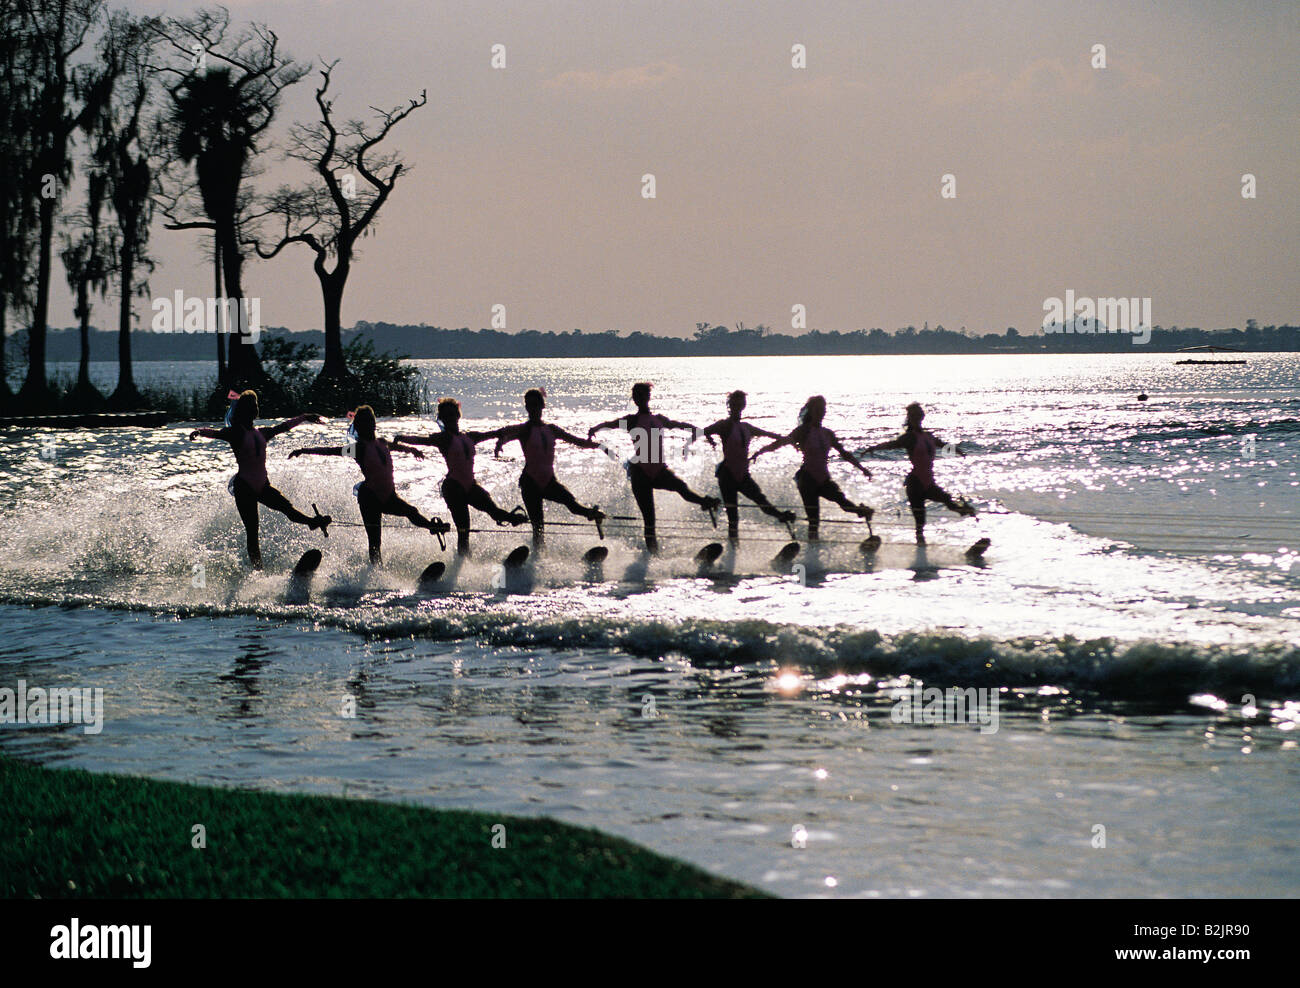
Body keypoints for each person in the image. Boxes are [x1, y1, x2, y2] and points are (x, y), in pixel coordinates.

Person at [289, 405, 450, 565]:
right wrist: (304, 450)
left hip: (389, 495)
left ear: (373, 424)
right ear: (359, 427)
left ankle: (432, 527)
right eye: (364, 424)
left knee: (411, 511)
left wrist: (412, 450)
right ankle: (376, 574)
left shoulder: (382, 442)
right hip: (369, 498)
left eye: (370, 423)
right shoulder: (358, 448)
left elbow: (396, 447)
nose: (369, 426)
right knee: (375, 541)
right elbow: (333, 451)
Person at [188, 390, 330, 569]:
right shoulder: (235, 433)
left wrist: (305, 417)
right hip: (244, 487)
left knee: (287, 508)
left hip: (263, 485)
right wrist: (198, 432)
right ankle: (258, 571)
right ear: (242, 411)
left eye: (255, 406)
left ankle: (312, 522)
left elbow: (283, 427)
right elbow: (216, 433)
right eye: (251, 407)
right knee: (253, 532)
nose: (254, 410)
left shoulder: (262, 433)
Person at [587, 382, 720, 554]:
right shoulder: (631, 420)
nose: (641, 399)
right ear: (634, 399)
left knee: (681, 487)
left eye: (643, 395)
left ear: (648, 397)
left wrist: (703, 433)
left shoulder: (659, 419)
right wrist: (594, 429)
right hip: (640, 474)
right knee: (650, 520)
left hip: (659, 471)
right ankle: (653, 556)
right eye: (637, 396)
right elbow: (610, 423)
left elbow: (681, 425)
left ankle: (705, 503)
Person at [395, 398, 527, 556]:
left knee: (495, 512)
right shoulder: (442, 438)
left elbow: (492, 433)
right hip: (453, 488)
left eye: (452, 415)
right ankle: (463, 562)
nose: (450, 418)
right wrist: (401, 438)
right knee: (464, 530)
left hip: (470, 486)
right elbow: (422, 440)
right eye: (446, 416)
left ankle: (514, 519)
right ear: (442, 419)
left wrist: (513, 431)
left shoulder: (470, 437)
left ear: (458, 415)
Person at [491, 388, 605, 547]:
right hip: (530, 482)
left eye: (535, 404)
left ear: (542, 406)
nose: (532, 408)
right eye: (529, 405)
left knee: (572, 503)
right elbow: (507, 434)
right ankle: (538, 559)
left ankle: (592, 514)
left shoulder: (552, 429)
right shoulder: (525, 429)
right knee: (538, 526)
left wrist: (599, 446)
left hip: (549, 481)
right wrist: (499, 443)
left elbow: (577, 441)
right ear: (526, 407)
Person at [750, 395, 873, 541]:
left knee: (845, 504)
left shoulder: (828, 433)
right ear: (811, 411)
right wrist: (760, 452)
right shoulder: (803, 431)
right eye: (818, 409)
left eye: (823, 409)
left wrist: (862, 468)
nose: (821, 412)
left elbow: (845, 454)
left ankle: (863, 512)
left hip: (824, 479)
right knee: (814, 520)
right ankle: (812, 550)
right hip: (807, 479)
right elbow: (782, 442)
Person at [865, 402, 975, 545]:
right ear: (910, 418)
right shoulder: (909, 437)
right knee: (920, 522)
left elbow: (942, 445)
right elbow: (891, 445)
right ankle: (921, 554)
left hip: (928, 482)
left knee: (948, 500)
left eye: (919, 414)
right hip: (915, 484)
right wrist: (873, 448)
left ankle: (963, 512)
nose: (917, 417)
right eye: (914, 415)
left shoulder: (928, 436)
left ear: (922, 416)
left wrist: (958, 451)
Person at [702, 390, 796, 542]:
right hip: (727, 475)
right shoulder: (723, 425)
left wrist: (786, 439)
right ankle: (734, 549)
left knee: (761, 501)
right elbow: (704, 431)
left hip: (743, 475)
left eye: (740, 404)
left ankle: (781, 516)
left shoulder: (747, 427)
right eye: (734, 404)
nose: (737, 407)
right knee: (733, 516)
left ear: (743, 406)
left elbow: (768, 434)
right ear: (730, 405)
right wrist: (711, 441)